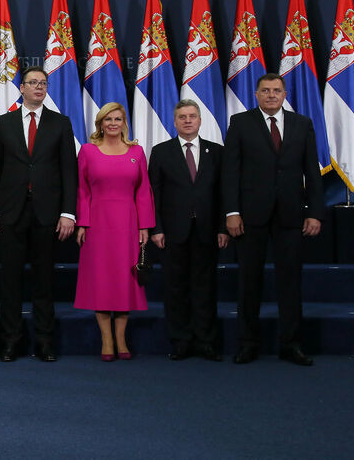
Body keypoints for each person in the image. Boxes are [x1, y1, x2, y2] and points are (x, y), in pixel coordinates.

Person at [222, 73, 324, 366]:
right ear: (256, 94)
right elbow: (231, 171)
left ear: (284, 94)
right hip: (250, 216)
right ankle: (247, 344)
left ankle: (291, 345)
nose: (270, 95)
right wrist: (232, 212)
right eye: (265, 90)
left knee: (290, 283)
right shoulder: (240, 123)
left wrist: (315, 212)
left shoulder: (302, 124)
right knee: (248, 282)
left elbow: (312, 173)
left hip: (292, 216)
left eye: (276, 91)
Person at [0, 66, 77, 362]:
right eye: (33, 83)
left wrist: (68, 212)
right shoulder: (3, 124)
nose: (39, 87)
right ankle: (11, 341)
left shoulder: (60, 123)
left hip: (47, 214)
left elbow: (69, 171)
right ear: (21, 88)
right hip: (12, 213)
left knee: (44, 281)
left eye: (43, 83)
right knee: (10, 281)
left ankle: (44, 340)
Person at [148, 99, 227, 362]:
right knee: (175, 288)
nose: (188, 120)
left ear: (200, 120)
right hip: (171, 233)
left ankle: (206, 342)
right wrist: (156, 228)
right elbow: (153, 195)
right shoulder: (161, 152)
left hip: (207, 231)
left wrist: (222, 228)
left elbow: (222, 194)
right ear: (175, 121)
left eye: (192, 116)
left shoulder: (216, 152)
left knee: (205, 288)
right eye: (182, 117)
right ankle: (180, 341)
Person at [74, 102, 154, 361]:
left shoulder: (137, 152)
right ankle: (106, 340)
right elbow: (82, 191)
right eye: (108, 119)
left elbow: (143, 192)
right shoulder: (87, 151)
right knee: (101, 281)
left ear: (124, 123)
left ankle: (121, 339)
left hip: (128, 224)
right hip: (97, 225)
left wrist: (144, 226)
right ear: (100, 123)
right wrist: (83, 223)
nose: (113, 123)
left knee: (123, 282)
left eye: (117, 119)